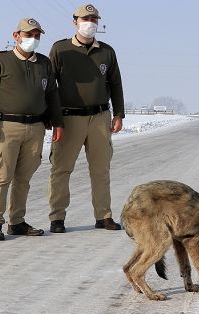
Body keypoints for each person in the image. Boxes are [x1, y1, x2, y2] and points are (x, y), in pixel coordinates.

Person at [0, 18, 63, 241]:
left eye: (36, 36)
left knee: (23, 178)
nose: (32, 39)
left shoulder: (44, 64)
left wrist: (57, 122)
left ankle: (17, 222)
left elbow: (52, 95)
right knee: (1, 176)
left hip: (36, 127)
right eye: (28, 35)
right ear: (16, 36)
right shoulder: (0, 60)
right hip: (6, 127)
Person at [47, 4, 124, 233]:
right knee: (61, 170)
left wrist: (118, 113)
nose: (89, 22)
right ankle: (57, 218)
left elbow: (116, 84)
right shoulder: (60, 49)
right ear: (75, 22)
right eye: (85, 18)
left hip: (100, 117)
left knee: (101, 170)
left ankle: (104, 216)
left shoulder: (107, 51)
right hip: (69, 117)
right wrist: (53, 117)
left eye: (93, 18)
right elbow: (50, 86)